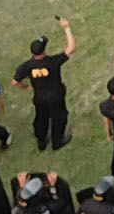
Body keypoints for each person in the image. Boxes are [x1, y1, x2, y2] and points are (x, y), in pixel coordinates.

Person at [19, 21, 78, 151]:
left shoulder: (27, 66)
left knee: (41, 118)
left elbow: (15, 81)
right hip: (55, 97)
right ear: (44, 50)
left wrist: (27, 87)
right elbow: (71, 48)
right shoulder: (53, 62)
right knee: (59, 118)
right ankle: (57, 141)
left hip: (39, 98)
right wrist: (67, 28)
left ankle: (41, 141)